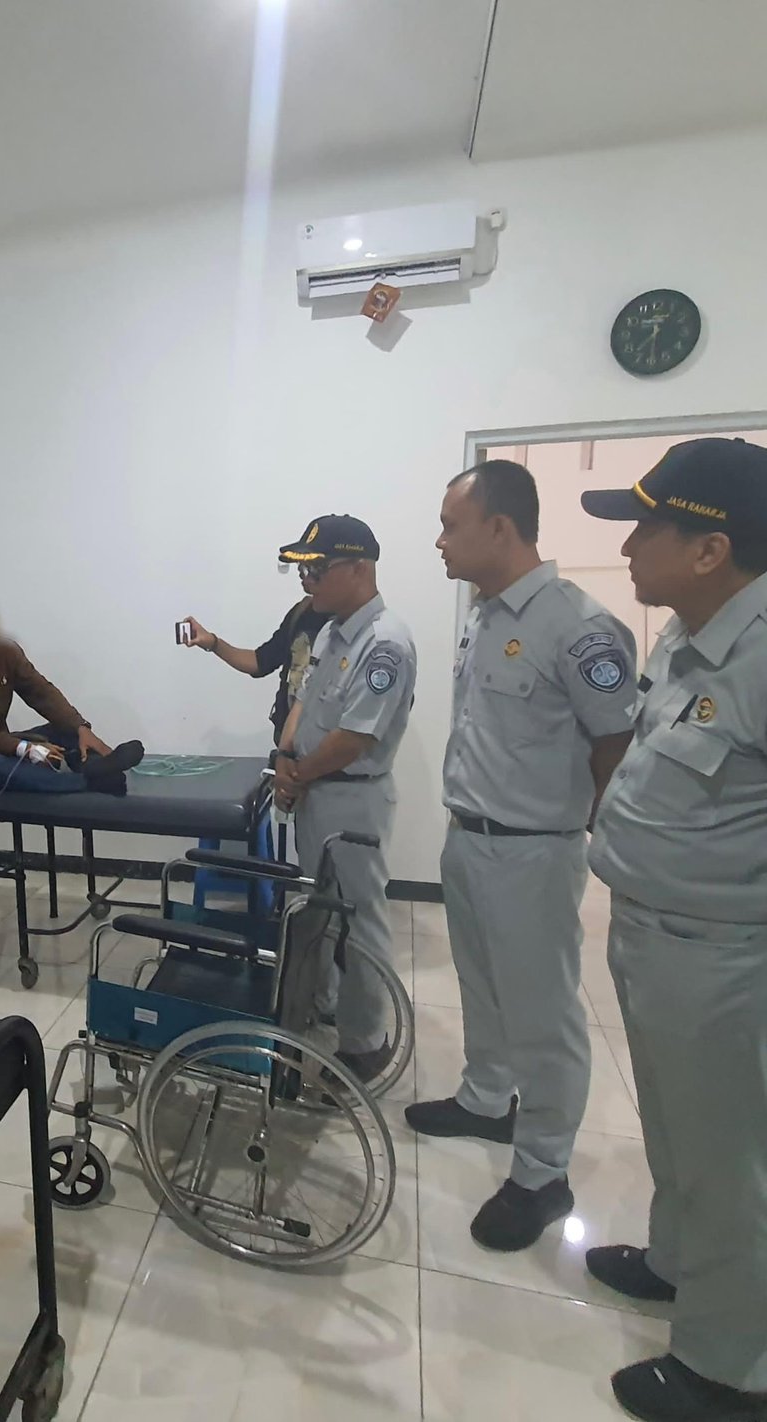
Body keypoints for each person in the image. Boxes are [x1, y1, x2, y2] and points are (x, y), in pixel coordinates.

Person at [576, 437, 767, 1422]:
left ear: (709, 548)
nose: (627, 547)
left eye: (644, 528)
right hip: (653, 934)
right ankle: (676, 1262)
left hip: (722, 957)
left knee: (730, 1161)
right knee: (675, 1128)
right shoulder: (688, 638)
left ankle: (730, 1369)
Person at [407, 460, 636, 1252]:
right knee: (482, 987)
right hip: (469, 837)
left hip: (533, 852)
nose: (440, 540)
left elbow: (616, 742)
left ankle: (542, 1172)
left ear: (499, 527)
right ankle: (484, 1099)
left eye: (450, 524)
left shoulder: (578, 627)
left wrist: (595, 837)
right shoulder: (485, 614)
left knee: (543, 1016)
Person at [272, 515, 416, 1081]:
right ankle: (327, 1006)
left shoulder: (385, 644)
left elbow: (355, 737)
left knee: (360, 924)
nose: (307, 581)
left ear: (359, 568)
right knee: (322, 912)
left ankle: (365, 1042)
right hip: (315, 792)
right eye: (302, 571)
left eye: (317, 570)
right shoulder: (332, 632)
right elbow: (303, 703)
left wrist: (298, 774)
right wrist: (286, 758)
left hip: (353, 799)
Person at [0, 582, 143, 794]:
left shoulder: (5, 651)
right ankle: (85, 782)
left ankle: (92, 765)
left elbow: (40, 691)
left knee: (65, 728)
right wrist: (24, 748)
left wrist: (80, 727)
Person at [179, 597, 330, 743]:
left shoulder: (340, 626)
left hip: (323, 745)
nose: (305, 581)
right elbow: (260, 661)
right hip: (288, 743)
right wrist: (213, 643)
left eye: (315, 579)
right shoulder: (302, 612)